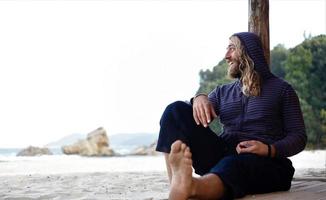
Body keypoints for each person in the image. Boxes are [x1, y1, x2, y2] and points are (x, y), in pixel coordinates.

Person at [155, 32, 307, 200]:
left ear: (248, 52)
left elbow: (299, 136)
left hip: (269, 163)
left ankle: (191, 187)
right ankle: (177, 184)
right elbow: (190, 112)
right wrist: (199, 98)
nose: (226, 56)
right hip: (224, 155)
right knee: (174, 111)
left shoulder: (282, 90)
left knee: (233, 165)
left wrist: (269, 149)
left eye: (232, 49)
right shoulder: (223, 92)